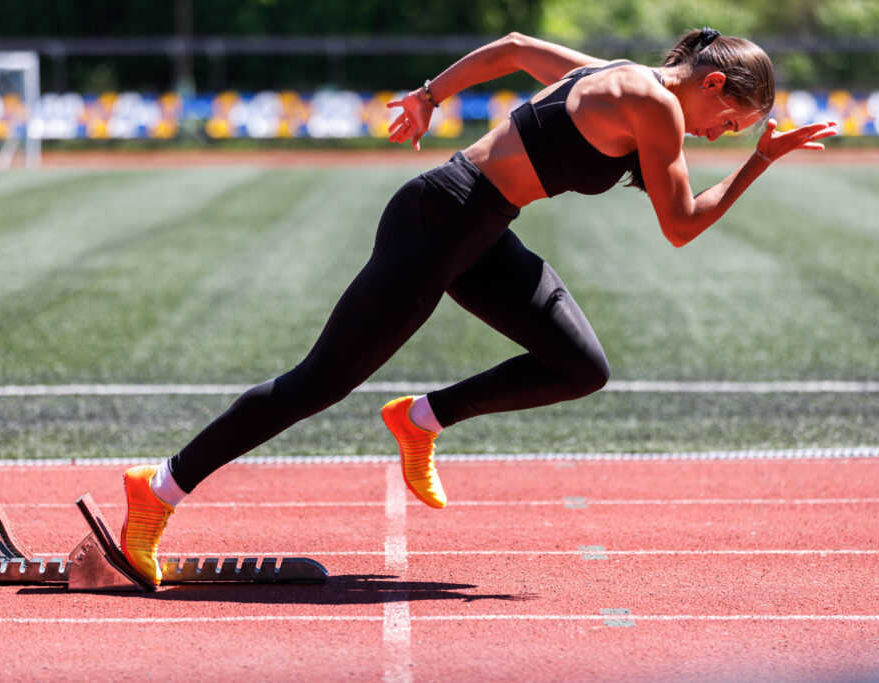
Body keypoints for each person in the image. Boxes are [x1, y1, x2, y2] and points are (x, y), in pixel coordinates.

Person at [118, 28, 837, 585]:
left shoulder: (621, 78)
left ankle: (420, 416)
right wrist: (761, 162)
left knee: (580, 364)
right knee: (320, 381)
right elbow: (681, 225)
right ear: (713, 84)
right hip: (440, 222)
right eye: (731, 122)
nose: (720, 136)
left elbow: (518, 49)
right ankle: (158, 490)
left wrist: (431, 93)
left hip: (480, 232)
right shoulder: (654, 107)